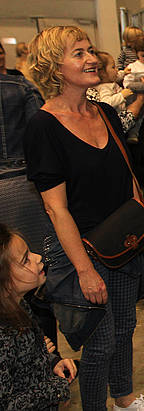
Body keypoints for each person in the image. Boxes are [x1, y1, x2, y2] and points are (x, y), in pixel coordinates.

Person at [23, 26, 144, 411]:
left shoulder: (104, 112)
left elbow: (127, 177)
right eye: (78, 53)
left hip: (121, 240)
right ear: (54, 67)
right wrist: (84, 270)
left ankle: (124, 399)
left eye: (90, 50)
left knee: (125, 328)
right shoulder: (42, 127)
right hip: (81, 248)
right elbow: (56, 208)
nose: (91, 59)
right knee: (100, 341)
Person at [0, 70, 59, 353]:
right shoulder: (21, 86)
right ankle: (46, 357)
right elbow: (41, 135)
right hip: (21, 188)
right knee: (35, 278)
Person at [0, 224, 76, 410]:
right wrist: (54, 389)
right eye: (26, 260)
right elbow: (6, 404)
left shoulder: (19, 304)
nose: (38, 257)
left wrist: (52, 362)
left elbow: (28, 359)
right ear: (5, 282)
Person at [90, 51, 144, 132]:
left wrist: (124, 72)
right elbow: (105, 103)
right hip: (119, 113)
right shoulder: (104, 88)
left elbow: (117, 76)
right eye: (113, 67)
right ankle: (134, 132)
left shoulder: (110, 80)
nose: (116, 69)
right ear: (103, 73)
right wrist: (121, 95)